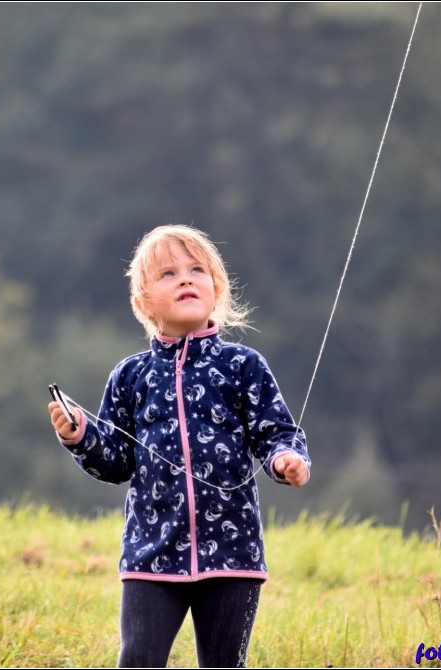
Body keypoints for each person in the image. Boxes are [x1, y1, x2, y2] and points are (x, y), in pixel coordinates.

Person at [48, 224, 311, 668]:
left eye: (196, 270)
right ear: (143, 303)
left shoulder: (243, 366)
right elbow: (114, 460)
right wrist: (80, 435)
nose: (186, 279)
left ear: (217, 289)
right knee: (138, 659)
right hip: (150, 553)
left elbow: (276, 432)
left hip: (233, 554)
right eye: (168, 274)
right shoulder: (131, 376)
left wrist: (287, 459)